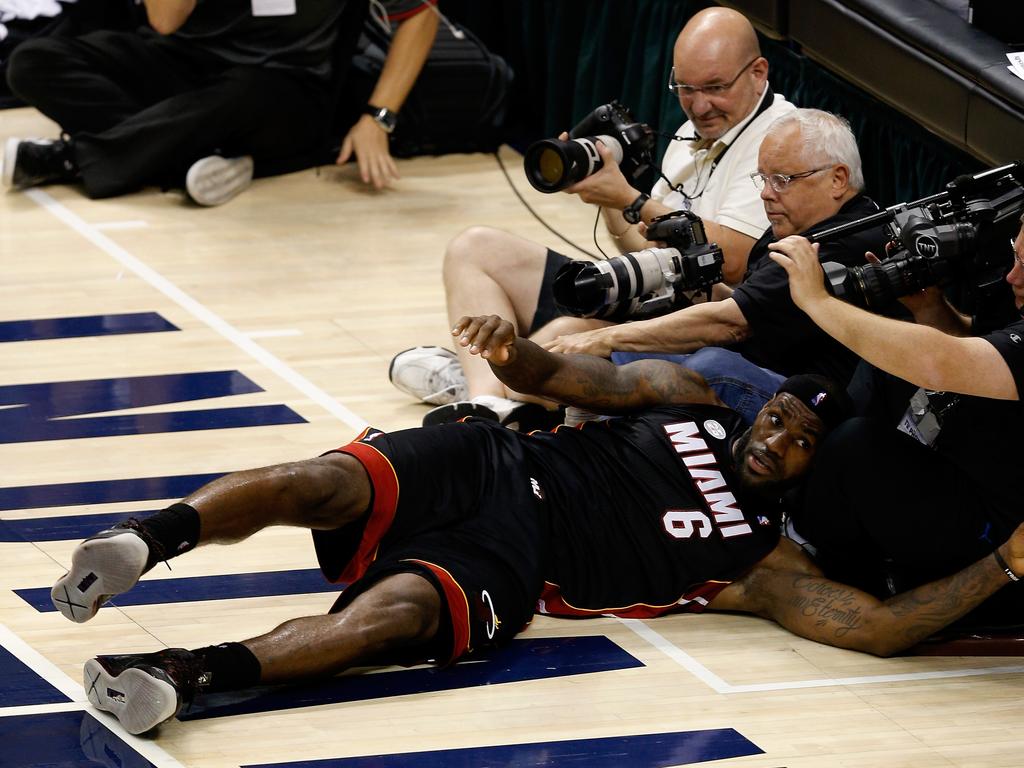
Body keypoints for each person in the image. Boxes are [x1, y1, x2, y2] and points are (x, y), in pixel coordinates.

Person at [57, 313, 1024, 735]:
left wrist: (1007, 573)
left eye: (804, 440)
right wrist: (510, 352)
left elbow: (882, 628)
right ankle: (149, 540)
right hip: (498, 456)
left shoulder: (760, 558)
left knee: (387, 623)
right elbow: (563, 378)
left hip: (518, 555)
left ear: (816, 471)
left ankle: (180, 674)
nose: (778, 439)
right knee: (318, 480)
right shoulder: (688, 397)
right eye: (778, 416)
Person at [389, 6, 795, 425]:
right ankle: (487, 402)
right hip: (649, 292)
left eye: (714, 87)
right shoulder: (700, 128)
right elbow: (644, 244)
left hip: (700, 324)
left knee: (538, 358)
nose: (699, 104)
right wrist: (606, 192)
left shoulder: (780, 139)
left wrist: (631, 199)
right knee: (473, 248)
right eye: (686, 88)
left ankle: (482, 386)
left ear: (758, 72)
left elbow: (733, 258)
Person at [538, 108, 889, 424]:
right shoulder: (799, 221)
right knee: (585, 339)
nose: (766, 193)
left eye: (782, 180)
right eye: (763, 178)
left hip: (802, 410)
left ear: (838, 179)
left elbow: (730, 324)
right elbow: (752, 306)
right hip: (758, 366)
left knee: (626, 362)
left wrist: (604, 340)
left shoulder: (841, 241)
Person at [766, 214, 1024, 615]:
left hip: (997, 536)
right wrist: (930, 309)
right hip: (972, 461)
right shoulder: (1015, 301)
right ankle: (808, 513)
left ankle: (823, 559)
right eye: (1015, 256)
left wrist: (816, 301)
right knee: (862, 373)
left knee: (856, 445)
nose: (1012, 277)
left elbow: (942, 362)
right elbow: (986, 355)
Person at [1, 0, 439, 205]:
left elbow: (420, 14)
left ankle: (71, 159)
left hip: (289, 89)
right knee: (34, 61)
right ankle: (198, 157)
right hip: (187, 64)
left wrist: (378, 118)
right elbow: (164, 21)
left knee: (242, 94)